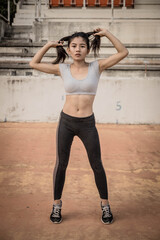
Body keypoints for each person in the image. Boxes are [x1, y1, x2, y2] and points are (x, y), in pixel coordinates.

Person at [29, 27, 129, 225]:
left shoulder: (97, 67)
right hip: (66, 122)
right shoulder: (62, 69)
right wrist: (49, 45)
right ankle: (56, 205)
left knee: (97, 165)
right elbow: (33, 63)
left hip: (87, 124)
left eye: (82, 46)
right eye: (73, 46)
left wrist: (107, 33)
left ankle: (105, 205)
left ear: (88, 49)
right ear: (67, 49)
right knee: (61, 165)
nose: (77, 49)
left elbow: (123, 52)